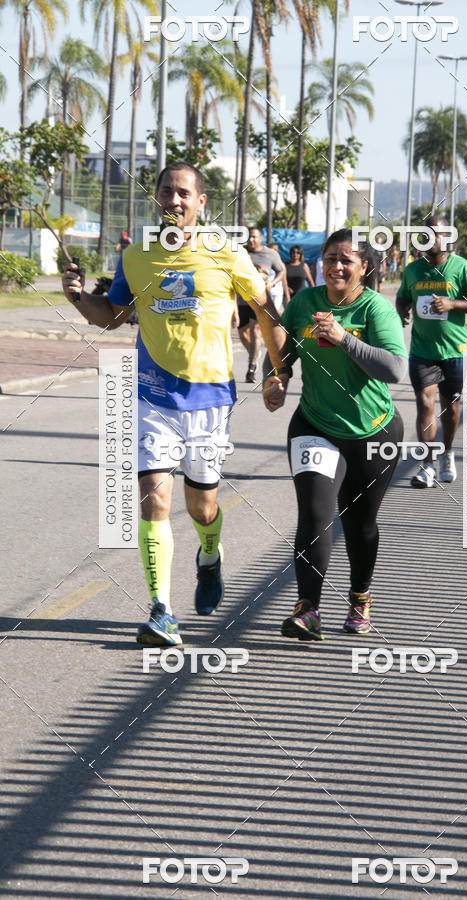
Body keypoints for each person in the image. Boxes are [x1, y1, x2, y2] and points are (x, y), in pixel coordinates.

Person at [61, 162, 287, 646]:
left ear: (202, 202)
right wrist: (81, 300)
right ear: (156, 199)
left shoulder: (225, 253)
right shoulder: (136, 255)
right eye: (166, 192)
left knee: (202, 506)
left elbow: (266, 313)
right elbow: (115, 316)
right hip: (153, 395)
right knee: (154, 499)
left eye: (184, 192)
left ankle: (210, 555)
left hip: (209, 399)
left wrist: (275, 371)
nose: (174, 200)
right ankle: (161, 609)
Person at [263, 228, 408, 641]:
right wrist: (277, 380)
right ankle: (308, 608)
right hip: (315, 425)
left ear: (364, 267)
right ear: (319, 263)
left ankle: (360, 597)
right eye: (330, 258)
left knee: (360, 523)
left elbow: (395, 370)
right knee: (315, 512)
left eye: (347, 259)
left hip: (374, 430)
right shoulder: (305, 303)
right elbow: (282, 354)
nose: (337, 266)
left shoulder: (375, 309)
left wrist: (344, 338)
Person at [396, 214, 467, 488]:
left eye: (434, 234)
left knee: (451, 409)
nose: (428, 239)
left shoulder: (462, 268)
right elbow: (403, 296)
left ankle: (447, 452)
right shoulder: (413, 270)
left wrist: (453, 305)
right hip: (422, 351)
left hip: (454, 352)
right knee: (425, 404)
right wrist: (402, 310)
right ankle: (427, 464)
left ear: (446, 237)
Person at [237, 226, 285, 382]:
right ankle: (255, 356)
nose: (251, 240)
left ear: (261, 238)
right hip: (240, 298)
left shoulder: (270, 254)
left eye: (254, 237)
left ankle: (251, 368)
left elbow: (281, 270)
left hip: (259, 297)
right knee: (242, 333)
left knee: (254, 331)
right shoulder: (240, 252)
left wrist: (273, 283)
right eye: (249, 237)